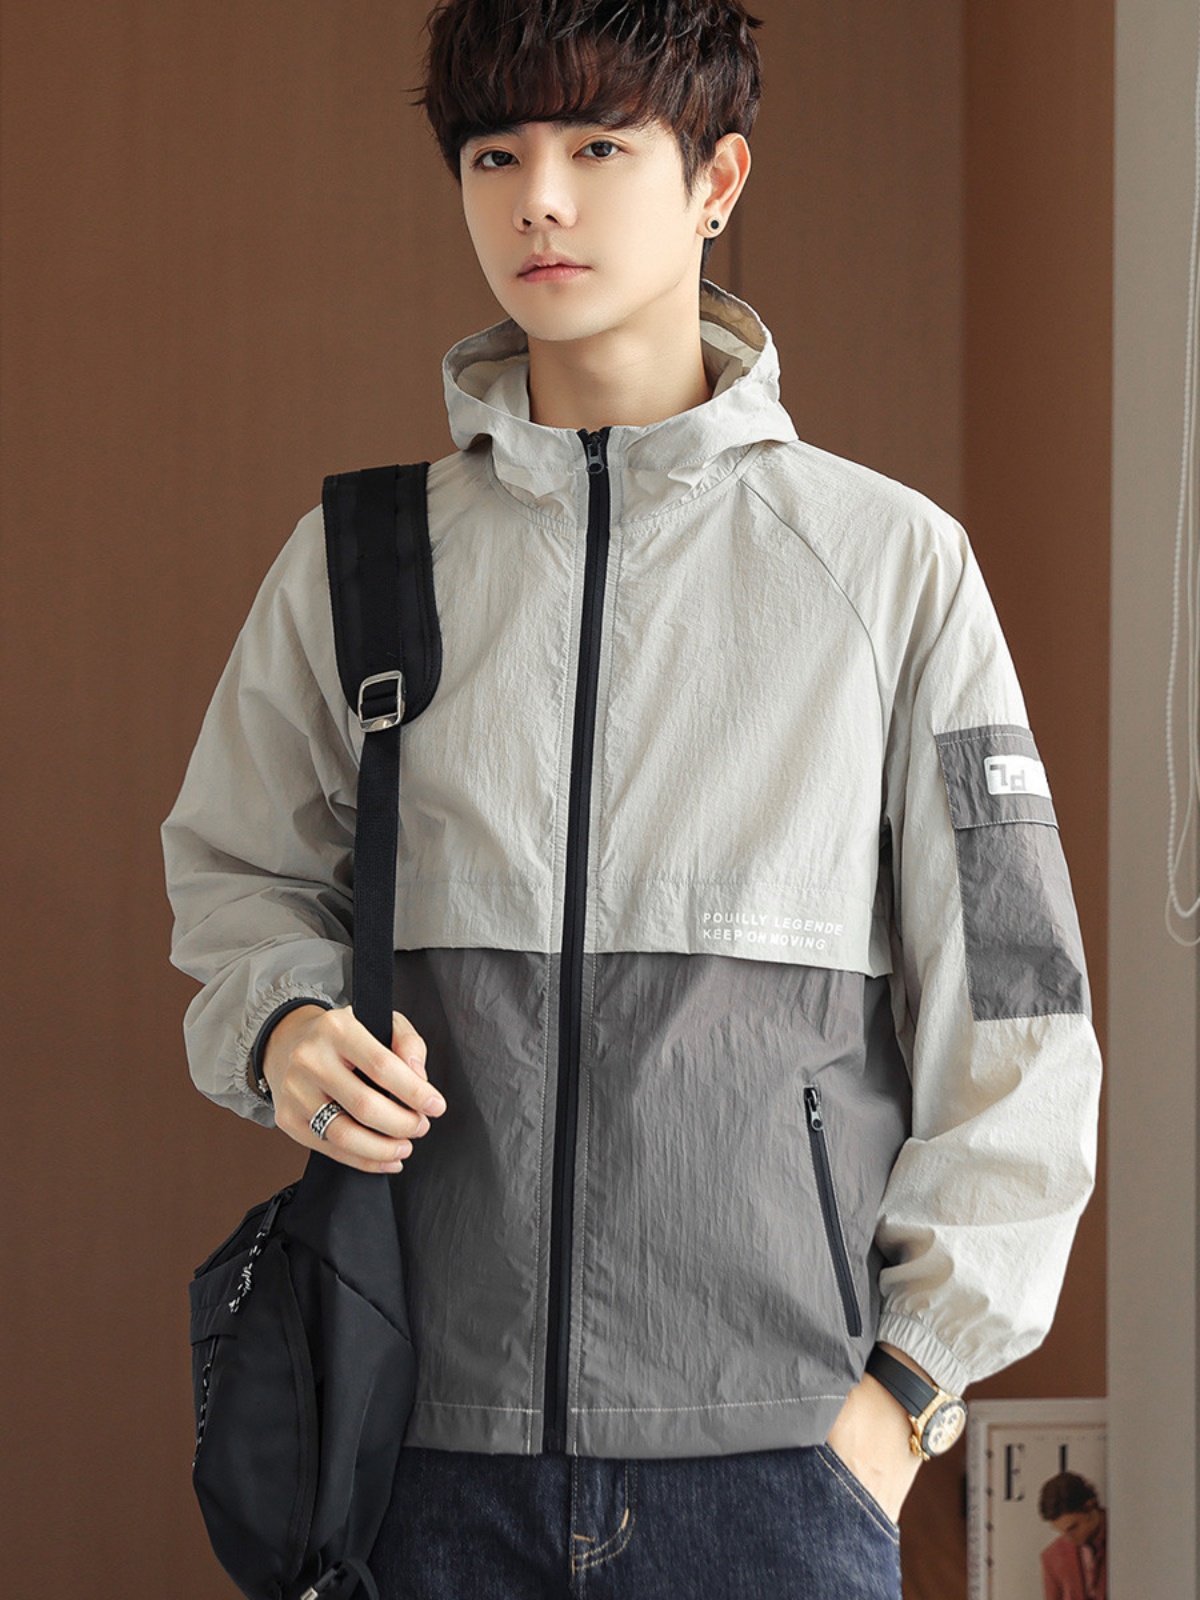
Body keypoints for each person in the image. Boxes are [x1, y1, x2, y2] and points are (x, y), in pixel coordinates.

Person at [161, 2, 1103, 1595]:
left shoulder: (892, 568)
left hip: (779, 1471)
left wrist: (904, 1394)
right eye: (495, 154)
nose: (540, 198)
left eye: (599, 147)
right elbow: (235, 878)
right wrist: (282, 1026)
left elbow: (1018, 1011)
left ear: (716, 179)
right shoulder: (361, 561)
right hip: (417, 1459)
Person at [1038, 1473, 1108, 1600]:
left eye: (1072, 1527)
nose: (1067, 1538)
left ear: (1090, 1506)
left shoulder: (1129, 1535)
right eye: (1061, 1532)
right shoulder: (1052, 1557)